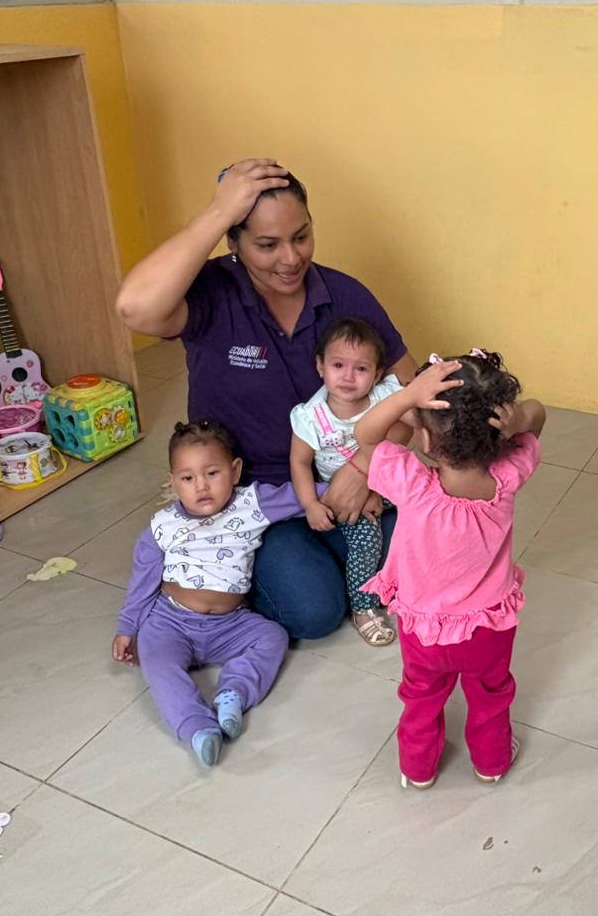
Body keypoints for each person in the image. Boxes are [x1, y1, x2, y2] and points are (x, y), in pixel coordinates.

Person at [115, 159, 419, 640]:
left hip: (341, 476)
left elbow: (412, 396)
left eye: (301, 236)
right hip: (256, 497)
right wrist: (218, 212)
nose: (290, 258)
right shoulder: (210, 292)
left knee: (434, 544)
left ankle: (333, 558)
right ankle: (273, 563)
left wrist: (364, 466)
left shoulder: (344, 295)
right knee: (314, 613)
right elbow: (135, 307)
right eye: (266, 245)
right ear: (233, 243)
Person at [354, 351, 546, 789]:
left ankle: (418, 770)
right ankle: (491, 763)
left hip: (424, 631)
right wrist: (518, 421)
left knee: (421, 697)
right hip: (489, 628)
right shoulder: (508, 475)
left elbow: (366, 435)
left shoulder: (410, 483)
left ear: (424, 439)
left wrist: (407, 397)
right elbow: (537, 415)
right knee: (491, 695)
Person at [112, 420, 306, 767]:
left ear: (235, 471)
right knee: (157, 664)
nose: (201, 486)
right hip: (170, 621)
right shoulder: (161, 527)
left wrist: (353, 486)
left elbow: (303, 495)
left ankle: (234, 693)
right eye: (187, 478)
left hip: (231, 624)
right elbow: (142, 581)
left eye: (212, 473)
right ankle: (196, 728)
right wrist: (128, 628)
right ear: (173, 482)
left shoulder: (252, 503)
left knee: (273, 637)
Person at [290, 318, 410, 647]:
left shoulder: (384, 396)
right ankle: (364, 607)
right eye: (338, 365)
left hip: (387, 480)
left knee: (432, 508)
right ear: (320, 366)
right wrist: (310, 504)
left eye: (361, 368)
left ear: (377, 373)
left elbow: (412, 423)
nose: (347, 376)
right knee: (367, 541)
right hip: (343, 497)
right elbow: (299, 463)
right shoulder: (311, 416)